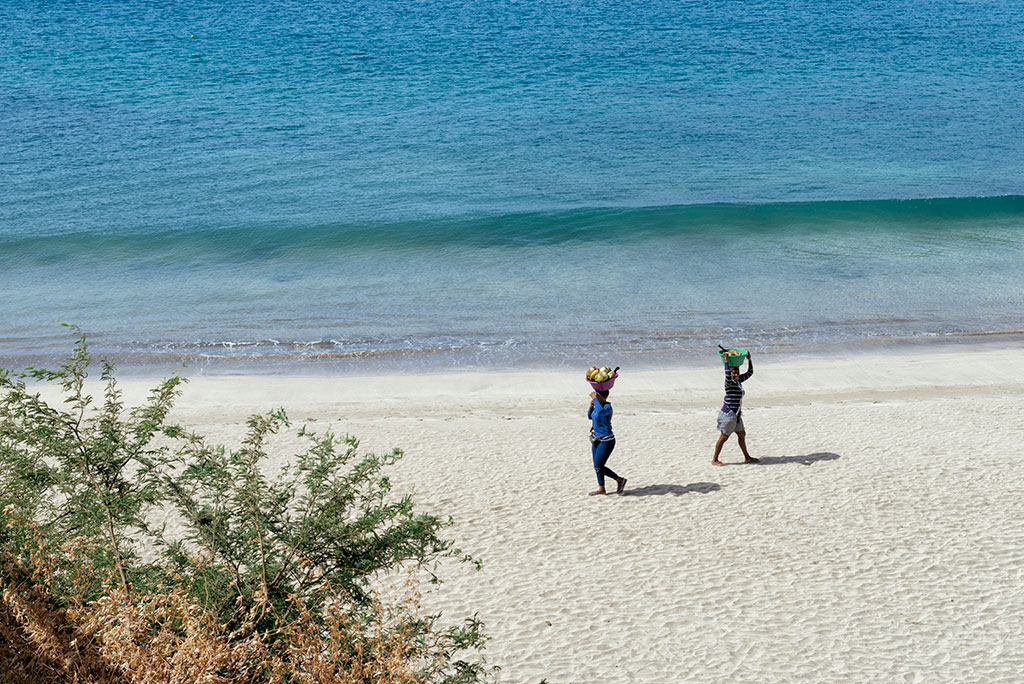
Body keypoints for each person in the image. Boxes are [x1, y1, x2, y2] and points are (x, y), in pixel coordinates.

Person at [712, 352, 758, 466]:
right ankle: (714, 460)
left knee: (742, 434)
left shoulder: (738, 381)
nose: (736, 373)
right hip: (728, 414)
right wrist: (726, 361)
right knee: (723, 437)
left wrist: (749, 360)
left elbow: (750, 373)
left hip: (736, 415)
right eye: (734, 372)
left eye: (737, 371)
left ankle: (747, 457)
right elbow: (727, 373)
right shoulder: (729, 382)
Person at [588, 389, 627, 495]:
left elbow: (601, 412)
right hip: (596, 439)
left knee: (599, 466)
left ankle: (619, 480)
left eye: (597, 395)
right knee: (596, 466)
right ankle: (602, 488)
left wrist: (595, 400)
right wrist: (591, 406)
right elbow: (589, 416)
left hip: (607, 440)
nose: (594, 396)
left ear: (601, 397)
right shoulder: (597, 406)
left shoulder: (607, 407)